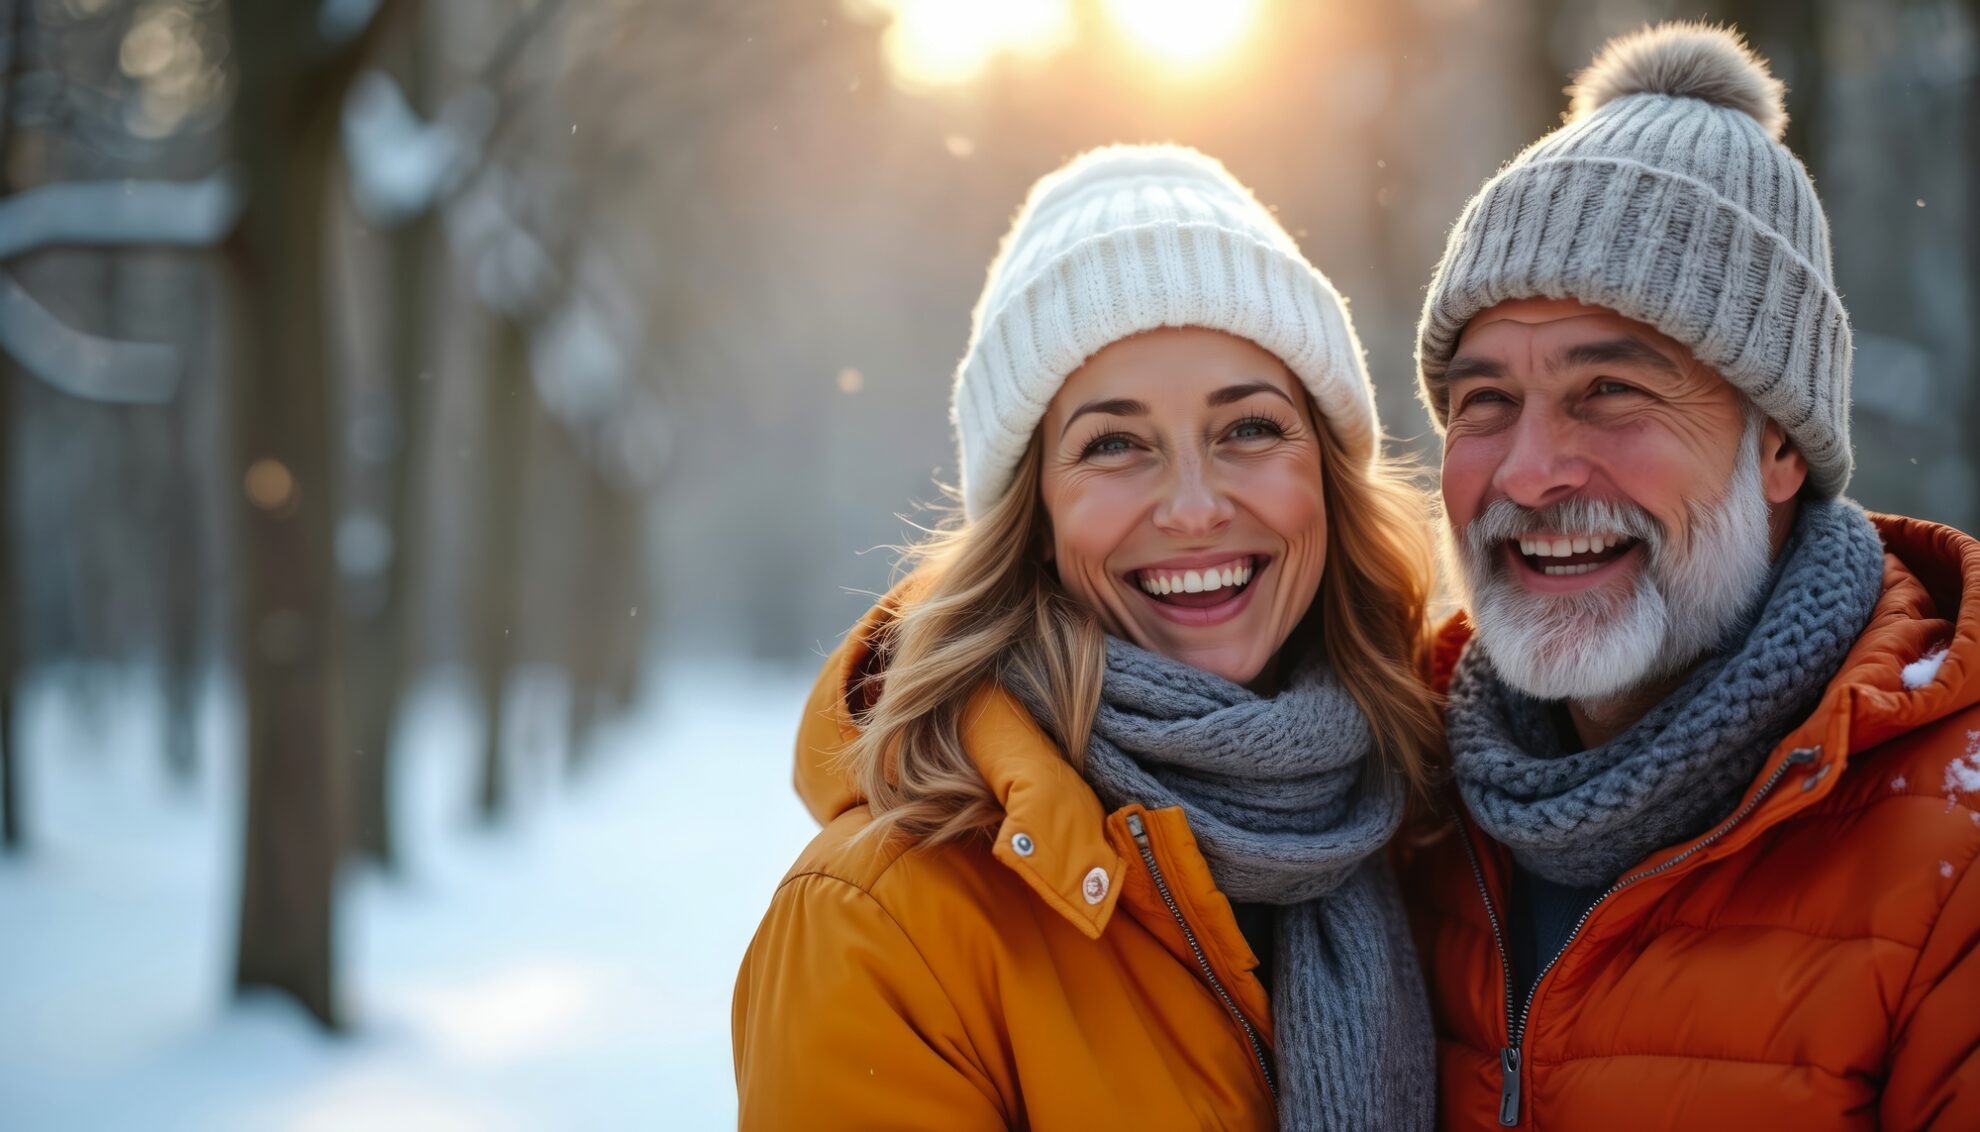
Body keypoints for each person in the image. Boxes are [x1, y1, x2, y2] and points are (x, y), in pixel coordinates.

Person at [733, 144, 1444, 1129]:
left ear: (1325, 472)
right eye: (1114, 444)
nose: (1193, 508)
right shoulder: (881, 922)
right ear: (1033, 517)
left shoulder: (1441, 833)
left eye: (1249, 428)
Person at [1404, 22, 1980, 1129]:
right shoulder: (1399, 798)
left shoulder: (1951, 855)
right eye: (1485, 401)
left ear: (1780, 446)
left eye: (1611, 390)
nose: (1527, 471)